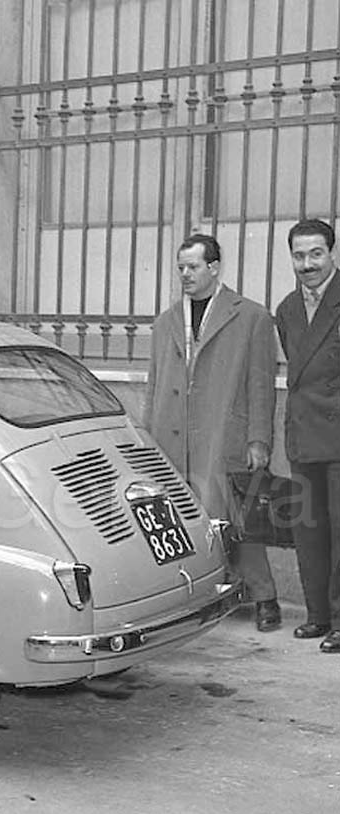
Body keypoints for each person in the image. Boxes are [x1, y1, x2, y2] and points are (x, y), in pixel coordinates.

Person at [143, 233, 281, 632]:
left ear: (214, 268)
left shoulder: (251, 317)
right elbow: (154, 386)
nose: (185, 274)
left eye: (193, 266)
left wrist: (259, 439)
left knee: (237, 518)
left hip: (223, 433)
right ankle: (192, 598)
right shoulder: (166, 322)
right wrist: (147, 439)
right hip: (172, 439)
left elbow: (261, 384)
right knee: (179, 525)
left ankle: (265, 597)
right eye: (180, 268)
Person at [275, 218, 340, 652]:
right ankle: (318, 615)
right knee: (309, 530)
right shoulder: (286, 309)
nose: (307, 264)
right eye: (299, 255)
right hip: (303, 434)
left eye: (316, 253)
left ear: (332, 253)